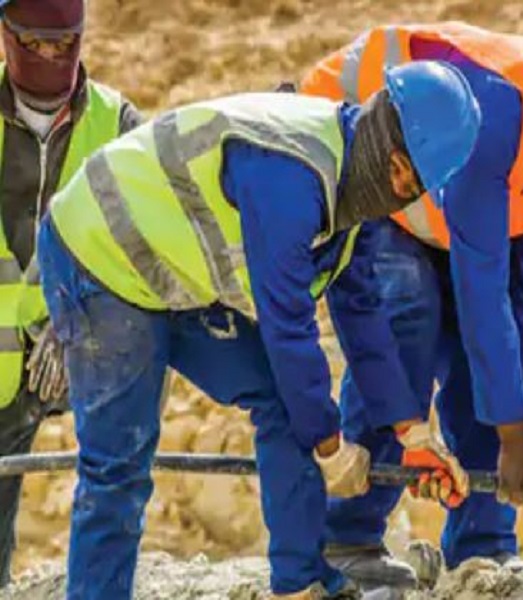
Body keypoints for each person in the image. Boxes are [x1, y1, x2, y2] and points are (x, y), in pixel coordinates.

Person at [37, 61, 480, 599]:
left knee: (286, 401)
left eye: (415, 187)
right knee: (119, 464)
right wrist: (330, 447)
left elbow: (362, 314)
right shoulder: (291, 176)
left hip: (170, 270)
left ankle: (301, 584)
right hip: (100, 251)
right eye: (402, 173)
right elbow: (287, 326)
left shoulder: (350, 187)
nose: (402, 189)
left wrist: (412, 434)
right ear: (386, 138)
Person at [300, 16, 523, 583]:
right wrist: (513, 436)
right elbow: (480, 283)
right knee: (409, 319)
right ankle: (346, 540)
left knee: (488, 366)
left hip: (440, 214)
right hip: (369, 163)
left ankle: (482, 550)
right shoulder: (500, 106)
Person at [0, 0, 142, 587]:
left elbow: (144, 244)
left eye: (62, 44)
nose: (50, 56)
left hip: (76, 347)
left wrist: (73, 319)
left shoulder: (117, 124)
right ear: (5, 35)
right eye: (34, 43)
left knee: (115, 478)